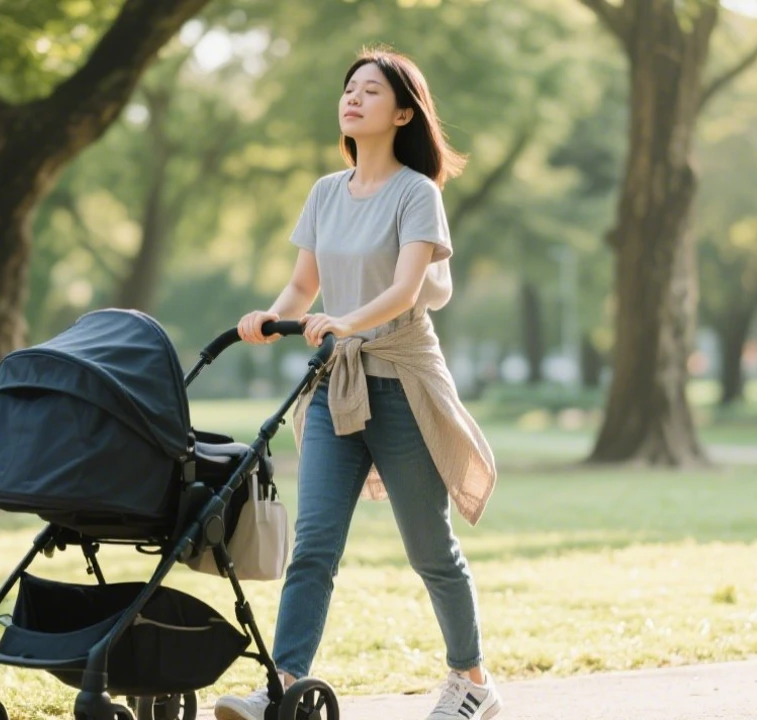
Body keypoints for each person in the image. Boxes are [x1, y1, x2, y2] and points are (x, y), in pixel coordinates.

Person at [214, 49, 501, 720]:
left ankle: (473, 682)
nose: (353, 98)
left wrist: (343, 319)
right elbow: (301, 285)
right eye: (349, 88)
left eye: (370, 90)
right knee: (313, 545)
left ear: (403, 112)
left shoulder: (416, 194)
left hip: (401, 380)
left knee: (430, 550)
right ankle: (283, 686)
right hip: (335, 387)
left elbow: (404, 291)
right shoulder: (324, 192)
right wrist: (270, 315)